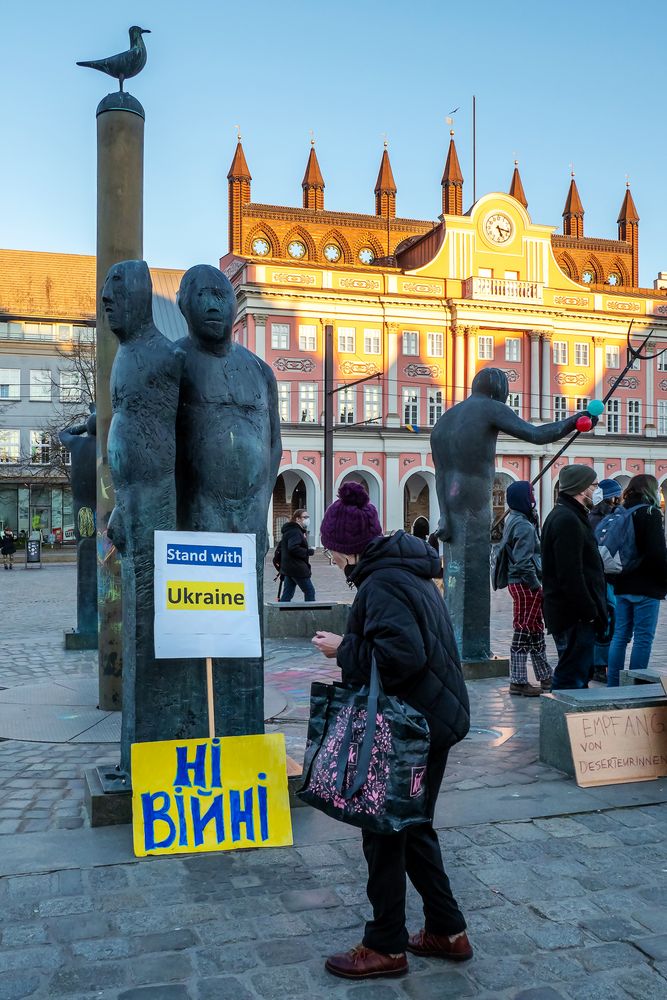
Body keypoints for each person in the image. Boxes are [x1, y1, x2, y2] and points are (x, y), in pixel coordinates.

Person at [311, 482, 471, 980]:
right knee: (413, 825)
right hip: (431, 721)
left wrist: (344, 649)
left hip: (406, 728)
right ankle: (447, 930)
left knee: (383, 831)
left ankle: (386, 945)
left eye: (332, 550)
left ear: (343, 547)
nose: (332, 560)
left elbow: (400, 657)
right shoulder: (406, 570)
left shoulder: (380, 583)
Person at [431, 367, 587, 661]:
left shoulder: (445, 419)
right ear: (499, 388)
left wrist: (443, 515)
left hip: (449, 500)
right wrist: (574, 422)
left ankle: (456, 645)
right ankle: (472, 651)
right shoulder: (490, 407)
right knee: (473, 575)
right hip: (475, 498)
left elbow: (439, 472)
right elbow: (537, 435)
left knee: (456, 574)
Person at [541, 465, 607, 690]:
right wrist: (589, 611)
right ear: (582, 489)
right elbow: (570, 574)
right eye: (594, 485)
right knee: (571, 677)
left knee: (577, 672)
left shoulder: (569, 515)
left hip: (572, 613)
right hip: (573, 615)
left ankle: (567, 720)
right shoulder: (567, 519)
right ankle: (561, 723)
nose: (596, 490)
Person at [607, 474, 667, 686]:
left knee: (620, 636)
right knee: (643, 638)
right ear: (651, 490)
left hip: (622, 583)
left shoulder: (622, 511)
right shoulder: (650, 513)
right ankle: (635, 685)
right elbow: (657, 554)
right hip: (646, 586)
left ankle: (613, 683)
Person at [502, 481, 552, 697]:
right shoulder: (522, 525)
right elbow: (523, 562)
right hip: (524, 584)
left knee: (534, 629)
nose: (533, 499)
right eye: (530, 495)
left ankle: (545, 675)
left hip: (520, 583)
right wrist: (535, 585)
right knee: (524, 629)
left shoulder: (514, 519)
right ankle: (519, 680)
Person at [589, 479, 622, 682]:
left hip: (596, 576)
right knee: (608, 620)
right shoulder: (610, 518)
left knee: (602, 619)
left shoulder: (590, 516)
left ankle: (598, 664)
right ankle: (601, 665)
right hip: (608, 577)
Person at [278, 509, 315, 602]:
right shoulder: (295, 531)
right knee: (309, 591)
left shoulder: (291, 530)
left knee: (287, 594)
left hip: (289, 568)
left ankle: (282, 613)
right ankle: (310, 613)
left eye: (308, 517)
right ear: (298, 519)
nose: (307, 519)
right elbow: (293, 548)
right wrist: (309, 552)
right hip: (297, 568)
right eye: (305, 517)